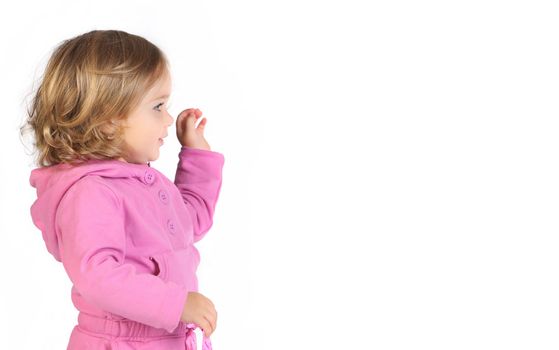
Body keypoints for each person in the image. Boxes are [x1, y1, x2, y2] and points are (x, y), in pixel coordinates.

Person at [21, 29, 223, 350]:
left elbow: (189, 223)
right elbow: (97, 276)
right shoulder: (92, 192)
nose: (169, 118)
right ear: (108, 121)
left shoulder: (142, 183)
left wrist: (197, 156)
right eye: (158, 106)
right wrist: (176, 303)